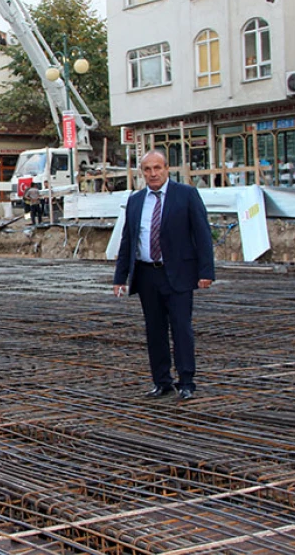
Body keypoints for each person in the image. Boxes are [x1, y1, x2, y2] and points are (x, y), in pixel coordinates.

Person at [113, 150, 214, 401]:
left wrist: (206, 271)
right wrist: (120, 277)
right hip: (147, 275)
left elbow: (202, 235)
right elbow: (128, 240)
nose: (153, 174)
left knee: (181, 329)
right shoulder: (136, 201)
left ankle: (187, 381)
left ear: (167, 168)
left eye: (157, 168)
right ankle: (161, 381)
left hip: (178, 273)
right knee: (154, 331)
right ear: (142, 172)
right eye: (147, 169)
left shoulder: (186, 195)